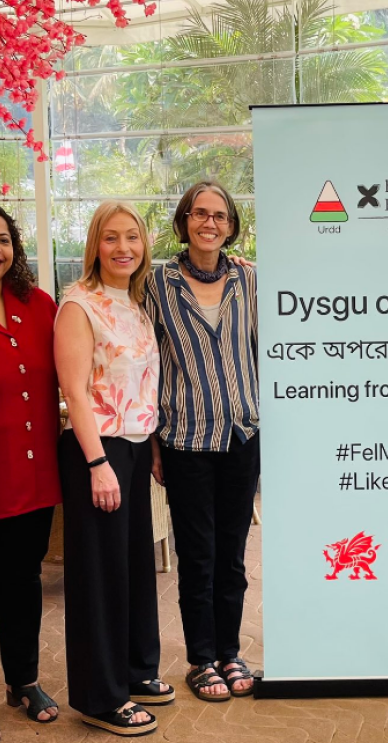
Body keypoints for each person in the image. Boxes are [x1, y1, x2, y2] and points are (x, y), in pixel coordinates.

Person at [55, 201, 174, 736]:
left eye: (133, 236)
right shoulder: (78, 305)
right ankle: (101, 697)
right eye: (111, 237)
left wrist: (146, 446)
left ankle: (134, 670)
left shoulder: (136, 303)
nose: (123, 247)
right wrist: (98, 463)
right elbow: (76, 393)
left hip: (130, 448)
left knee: (131, 566)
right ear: (94, 246)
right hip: (95, 450)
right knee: (98, 578)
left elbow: (138, 385)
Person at [145, 181, 260, 702]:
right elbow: (144, 364)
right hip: (185, 437)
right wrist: (151, 442)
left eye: (219, 215)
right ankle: (201, 658)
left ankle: (230, 652)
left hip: (243, 434)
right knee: (199, 556)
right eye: (198, 213)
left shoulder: (251, 280)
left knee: (232, 553)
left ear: (232, 225)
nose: (209, 223)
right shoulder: (156, 283)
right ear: (184, 221)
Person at [0, 207, 60, 726]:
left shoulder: (39, 305)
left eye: (1, 240)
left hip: (33, 477)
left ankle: (24, 681)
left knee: (22, 579)